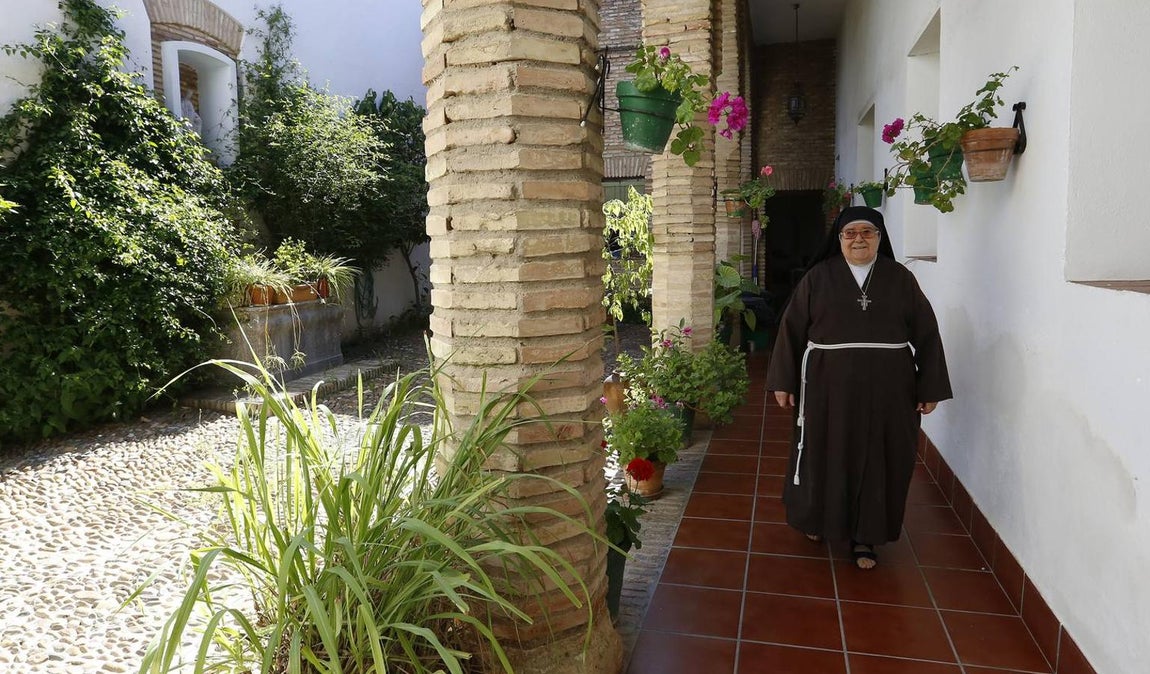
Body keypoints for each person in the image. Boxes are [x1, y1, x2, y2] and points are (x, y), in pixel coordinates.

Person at [766, 206, 952, 569]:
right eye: (850, 233)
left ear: (880, 238)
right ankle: (818, 520)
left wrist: (928, 385)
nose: (859, 240)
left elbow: (927, 332)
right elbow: (790, 330)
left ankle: (866, 537)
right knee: (824, 452)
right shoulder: (818, 277)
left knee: (879, 458)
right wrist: (783, 381)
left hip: (889, 391)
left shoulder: (900, 279)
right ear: (839, 240)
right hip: (825, 390)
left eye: (867, 232)